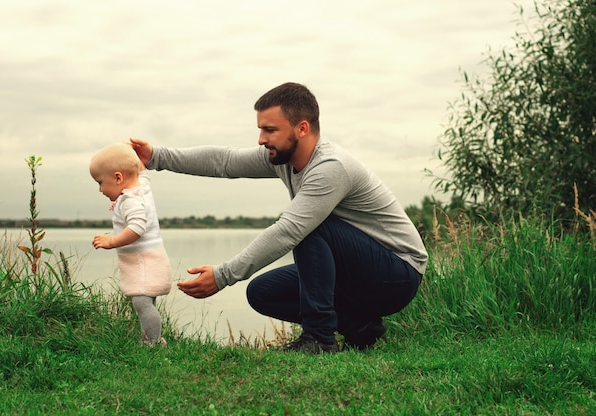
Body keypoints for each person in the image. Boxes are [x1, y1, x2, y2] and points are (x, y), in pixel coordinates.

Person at [131, 82, 427, 353]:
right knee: (263, 292)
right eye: (260, 129)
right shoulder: (281, 159)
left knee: (309, 228)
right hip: (357, 271)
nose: (261, 139)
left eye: (270, 130)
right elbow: (225, 161)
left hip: (397, 273)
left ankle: (319, 339)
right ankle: (360, 327)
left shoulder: (331, 167)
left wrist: (223, 275)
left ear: (302, 128)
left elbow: (288, 231)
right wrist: (156, 157)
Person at [90, 142, 172, 347]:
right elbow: (141, 173)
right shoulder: (142, 187)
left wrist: (112, 241)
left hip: (143, 260)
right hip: (151, 256)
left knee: (142, 303)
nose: (100, 189)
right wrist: (134, 155)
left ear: (118, 178)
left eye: (100, 182)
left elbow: (137, 228)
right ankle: (151, 338)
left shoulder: (130, 200)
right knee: (147, 301)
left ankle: (152, 342)